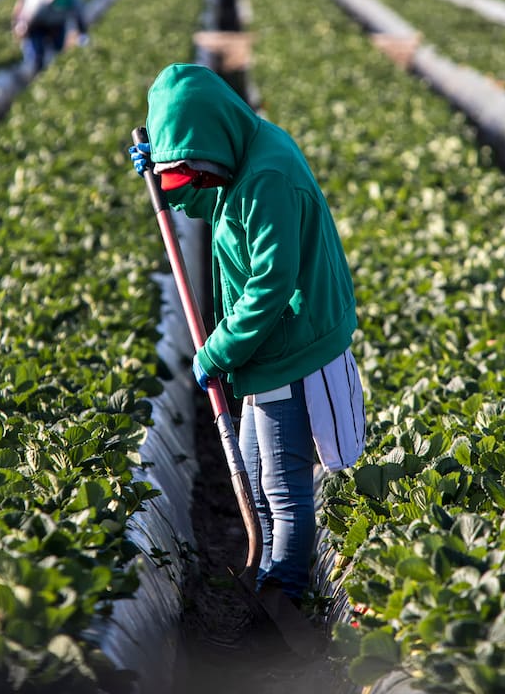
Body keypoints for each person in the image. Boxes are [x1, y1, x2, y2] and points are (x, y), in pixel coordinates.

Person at [128, 63, 366, 604]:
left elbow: (269, 287)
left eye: (191, 173)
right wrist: (164, 177)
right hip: (266, 345)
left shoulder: (267, 177)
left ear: (212, 145)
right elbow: (218, 201)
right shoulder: (241, 155)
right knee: (256, 476)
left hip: (291, 344)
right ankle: (267, 579)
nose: (192, 184)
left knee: (282, 488)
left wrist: (217, 351)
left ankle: (283, 595)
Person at [11, 0, 89, 73]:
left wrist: (82, 33)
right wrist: (22, 31)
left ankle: (51, 68)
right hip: (36, 25)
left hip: (57, 24)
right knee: (36, 50)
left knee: (58, 48)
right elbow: (26, 19)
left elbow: (79, 17)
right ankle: (34, 70)